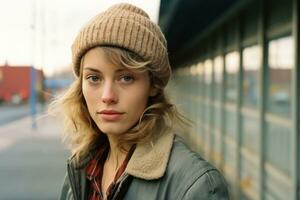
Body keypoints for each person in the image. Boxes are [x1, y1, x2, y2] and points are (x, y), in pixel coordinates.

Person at [55, 3, 230, 200]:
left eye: (126, 78)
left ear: (153, 84)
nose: (107, 96)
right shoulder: (80, 168)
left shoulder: (196, 186)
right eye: (94, 78)